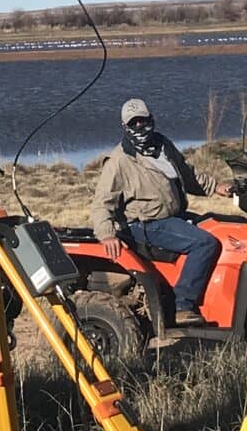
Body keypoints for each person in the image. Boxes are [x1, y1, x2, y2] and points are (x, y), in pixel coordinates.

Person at [89, 97, 236, 326]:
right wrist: (106, 234)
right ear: (125, 126)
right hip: (147, 224)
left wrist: (215, 187)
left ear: (151, 119)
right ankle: (183, 305)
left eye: (143, 120)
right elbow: (101, 203)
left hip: (173, 216)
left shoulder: (162, 145)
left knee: (222, 230)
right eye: (134, 122)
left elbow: (188, 173)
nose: (140, 126)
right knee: (204, 243)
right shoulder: (120, 161)